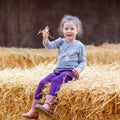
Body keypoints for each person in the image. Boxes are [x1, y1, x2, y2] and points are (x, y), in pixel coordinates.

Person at [21, 15, 86, 119]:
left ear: (77, 30)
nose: (69, 31)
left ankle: (48, 106)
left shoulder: (79, 46)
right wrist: (45, 39)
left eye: (72, 29)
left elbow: (82, 61)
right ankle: (33, 111)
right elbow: (49, 46)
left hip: (70, 72)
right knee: (42, 82)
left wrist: (78, 69)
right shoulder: (61, 41)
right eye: (66, 29)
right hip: (58, 71)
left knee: (56, 80)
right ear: (62, 30)